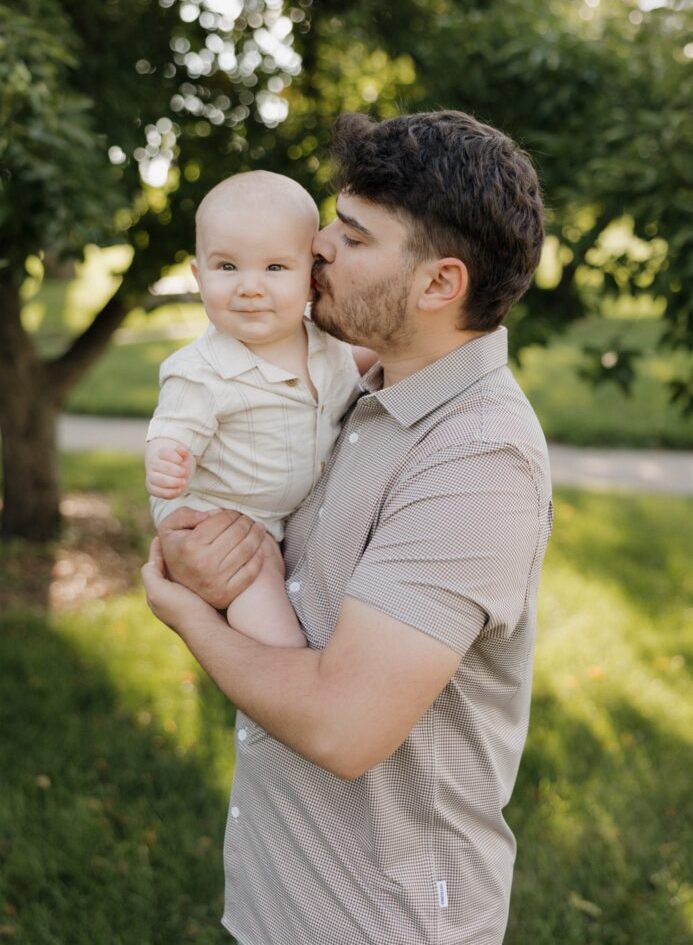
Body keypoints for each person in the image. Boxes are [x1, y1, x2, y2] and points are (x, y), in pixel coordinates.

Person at [142, 110, 553, 945]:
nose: (319, 246)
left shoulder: (476, 460)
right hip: (280, 893)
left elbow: (342, 726)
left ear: (439, 285)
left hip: (380, 917)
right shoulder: (356, 384)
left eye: (354, 238)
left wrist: (184, 613)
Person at [144, 170, 366, 646]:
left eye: (274, 268)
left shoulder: (326, 343)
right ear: (198, 275)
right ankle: (291, 674)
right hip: (229, 523)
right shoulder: (200, 372)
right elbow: (172, 430)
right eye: (227, 268)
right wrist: (165, 458)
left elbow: (359, 368)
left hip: (290, 514)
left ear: (311, 279)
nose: (249, 287)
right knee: (267, 615)